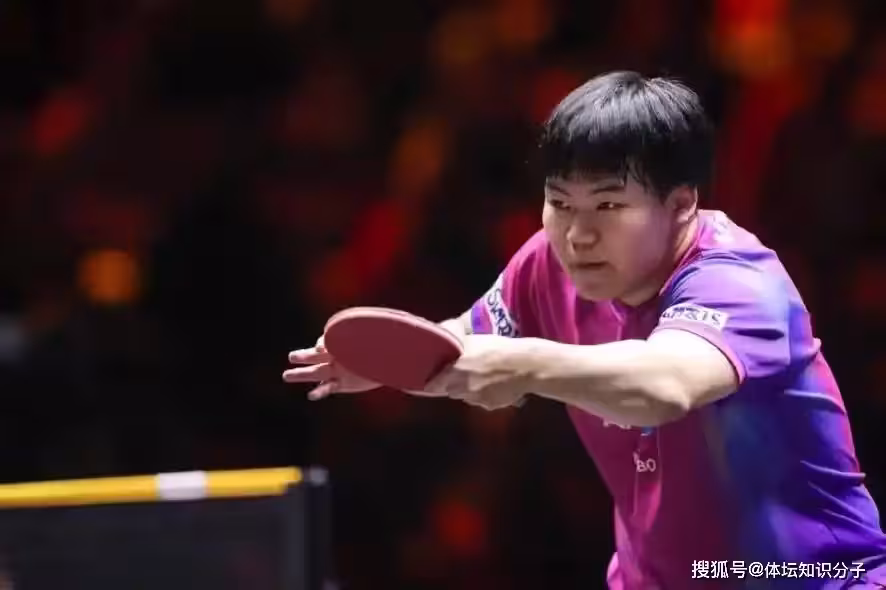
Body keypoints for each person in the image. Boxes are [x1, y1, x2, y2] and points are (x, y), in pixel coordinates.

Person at [283, 71, 886, 588]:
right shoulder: (548, 264)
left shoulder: (739, 281)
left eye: (609, 205)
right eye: (561, 203)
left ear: (681, 205)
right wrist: (390, 362)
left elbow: (666, 384)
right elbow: (465, 344)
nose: (578, 235)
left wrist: (523, 364)